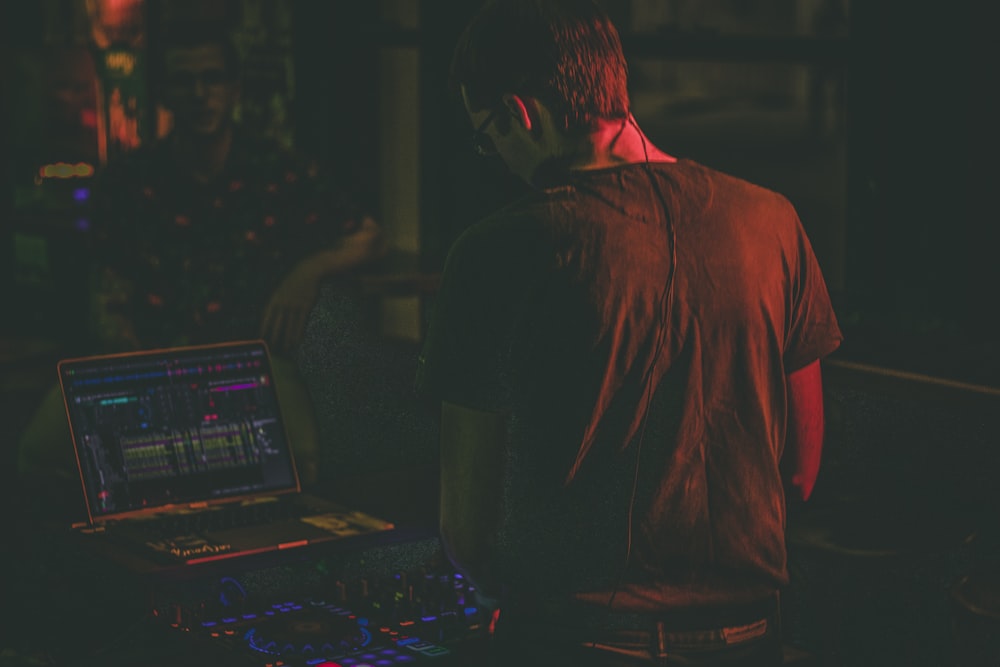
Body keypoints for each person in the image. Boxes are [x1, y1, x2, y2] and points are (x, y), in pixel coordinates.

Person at [416, 1, 842, 665]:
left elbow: (466, 527)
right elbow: (801, 468)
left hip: (572, 638)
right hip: (751, 637)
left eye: (488, 135)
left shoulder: (496, 251)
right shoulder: (773, 222)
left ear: (520, 114)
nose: (496, 157)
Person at [17, 23, 385, 490]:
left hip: (248, 364)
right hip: (151, 357)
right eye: (184, 81)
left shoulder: (272, 169)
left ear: (233, 89)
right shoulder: (132, 179)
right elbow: (106, 288)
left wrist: (306, 273)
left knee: (302, 468)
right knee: (39, 452)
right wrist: (135, 370)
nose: (199, 93)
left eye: (211, 79)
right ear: (166, 93)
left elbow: (369, 235)